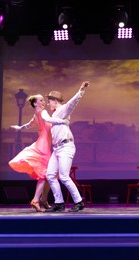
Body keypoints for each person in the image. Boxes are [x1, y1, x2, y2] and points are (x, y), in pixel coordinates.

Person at [8, 94, 69, 212]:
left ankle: (44, 199)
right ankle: (36, 200)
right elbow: (47, 120)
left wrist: (19, 127)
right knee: (43, 175)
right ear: (35, 103)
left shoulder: (36, 115)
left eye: (43, 100)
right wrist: (62, 121)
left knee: (49, 175)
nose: (43, 102)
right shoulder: (42, 113)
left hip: (45, 145)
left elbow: (27, 126)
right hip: (43, 146)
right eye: (40, 100)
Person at [42, 81, 90, 213]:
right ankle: (59, 203)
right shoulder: (54, 113)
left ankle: (79, 202)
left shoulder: (63, 109)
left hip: (66, 147)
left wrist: (81, 90)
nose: (48, 103)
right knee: (51, 175)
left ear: (55, 100)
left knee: (63, 176)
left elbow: (72, 103)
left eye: (49, 100)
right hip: (57, 148)